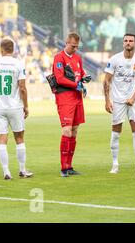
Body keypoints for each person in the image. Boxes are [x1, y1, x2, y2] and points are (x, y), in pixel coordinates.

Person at [0, 38, 33, 180]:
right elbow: (22, 88)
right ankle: (23, 171)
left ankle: (6, 172)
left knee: (2, 140)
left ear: (1, 49)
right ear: (13, 49)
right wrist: (26, 106)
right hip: (15, 107)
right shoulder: (18, 64)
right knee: (19, 138)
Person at [103, 33, 135, 174]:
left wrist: (133, 98)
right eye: (125, 41)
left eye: (131, 41)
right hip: (117, 101)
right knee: (116, 132)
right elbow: (107, 81)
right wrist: (107, 100)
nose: (128, 43)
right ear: (123, 43)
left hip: (133, 102)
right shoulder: (115, 59)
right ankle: (115, 165)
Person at [52, 32, 90, 177]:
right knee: (66, 131)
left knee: (74, 131)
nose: (74, 49)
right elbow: (60, 78)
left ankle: (69, 166)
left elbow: (80, 73)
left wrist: (84, 79)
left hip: (77, 97)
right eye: (72, 46)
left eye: (76, 46)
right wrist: (76, 85)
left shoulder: (78, 58)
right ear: (66, 43)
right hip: (65, 98)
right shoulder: (59, 57)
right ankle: (63, 167)